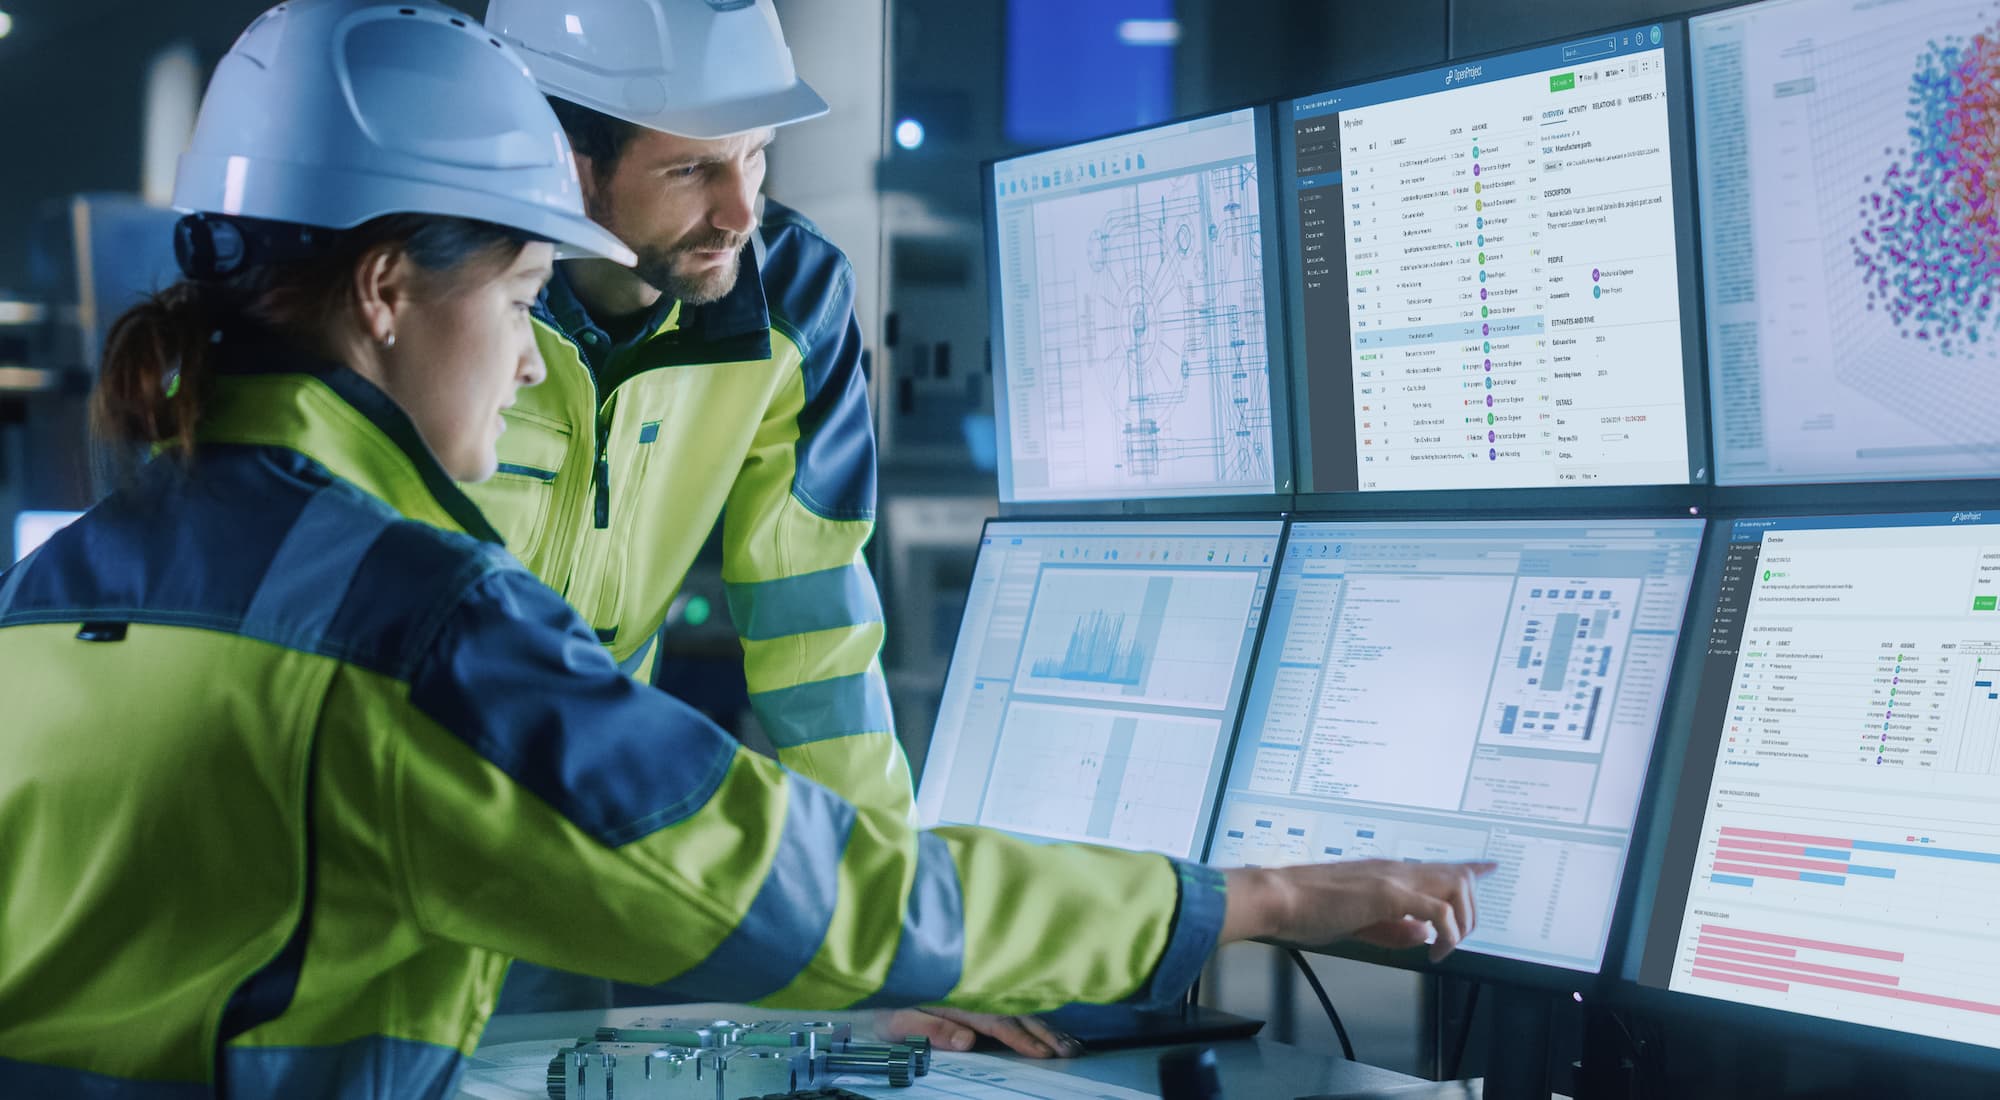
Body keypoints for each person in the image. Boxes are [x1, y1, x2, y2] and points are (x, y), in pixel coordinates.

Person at [0, 2, 1494, 1096]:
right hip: (572, 870)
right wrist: (1250, 902)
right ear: (392, 287)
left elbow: (821, 668)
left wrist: (892, 975)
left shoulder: (52, 590)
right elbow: (791, 885)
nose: (525, 364)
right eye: (522, 295)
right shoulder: (415, 628)